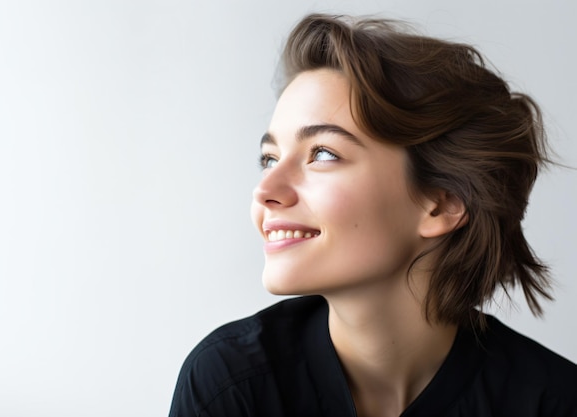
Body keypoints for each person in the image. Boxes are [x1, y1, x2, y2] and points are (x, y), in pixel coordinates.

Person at [169, 13, 577, 417]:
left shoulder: (552, 401)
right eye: (269, 158)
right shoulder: (229, 385)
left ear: (443, 202)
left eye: (323, 154)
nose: (265, 191)